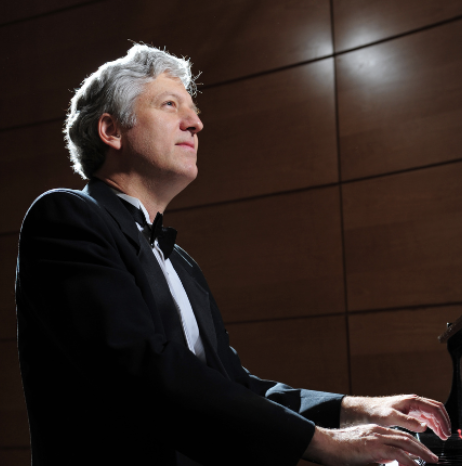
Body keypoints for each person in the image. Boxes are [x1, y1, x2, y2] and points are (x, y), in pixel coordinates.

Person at [15, 43, 450, 466]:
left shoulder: (182, 263)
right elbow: (143, 371)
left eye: (195, 112)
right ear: (110, 130)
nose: (195, 124)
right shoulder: (66, 217)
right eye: (170, 105)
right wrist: (323, 443)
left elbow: (233, 386)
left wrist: (354, 410)